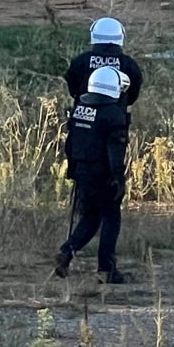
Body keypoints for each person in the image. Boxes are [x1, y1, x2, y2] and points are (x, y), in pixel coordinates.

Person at [55, 65, 131, 283]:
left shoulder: (79, 108)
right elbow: (115, 150)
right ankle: (106, 270)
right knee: (111, 219)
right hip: (103, 174)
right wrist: (118, 177)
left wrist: (72, 169)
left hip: (82, 171)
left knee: (89, 217)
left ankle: (66, 252)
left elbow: (70, 143)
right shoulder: (114, 116)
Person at [65, 18, 144, 113]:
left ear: (93, 35)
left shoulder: (81, 60)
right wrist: (122, 103)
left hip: (83, 115)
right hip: (116, 117)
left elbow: (71, 85)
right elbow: (134, 89)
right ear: (120, 36)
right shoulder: (128, 64)